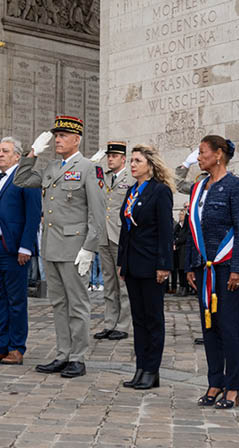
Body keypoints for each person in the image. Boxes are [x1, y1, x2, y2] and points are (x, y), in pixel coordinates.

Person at [14, 115, 106, 379]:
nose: (57, 140)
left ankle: (78, 358)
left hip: (75, 248)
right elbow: (21, 180)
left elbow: (97, 213)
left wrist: (89, 248)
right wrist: (31, 154)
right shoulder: (52, 167)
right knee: (58, 304)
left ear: (76, 139)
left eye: (63, 136)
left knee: (78, 305)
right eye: (56, 136)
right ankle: (62, 354)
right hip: (52, 247)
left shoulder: (90, 168)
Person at [183, 135, 239, 410]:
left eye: (202, 152)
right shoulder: (198, 187)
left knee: (228, 326)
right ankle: (215, 381)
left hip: (225, 267)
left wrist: (238, 269)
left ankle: (233, 387)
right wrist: (189, 264)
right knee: (208, 326)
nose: (198, 157)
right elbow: (192, 227)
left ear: (218, 154)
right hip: (203, 266)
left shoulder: (236, 185)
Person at [0, 137, 41, 366]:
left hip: (12, 249)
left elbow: (33, 215)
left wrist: (26, 246)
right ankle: (1, 346)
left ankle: (16, 348)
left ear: (17, 156)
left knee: (16, 300)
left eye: (5, 151)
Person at [117, 145, 174, 391]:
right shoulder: (132, 191)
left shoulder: (160, 191)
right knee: (138, 320)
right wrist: (122, 261)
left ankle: (152, 369)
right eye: (131, 161)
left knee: (153, 319)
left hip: (151, 264)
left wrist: (164, 265)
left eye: (137, 161)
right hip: (132, 264)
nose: (132, 165)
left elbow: (165, 231)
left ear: (150, 165)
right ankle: (140, 367)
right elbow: (125, 230)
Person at [95, 141, 133, 340]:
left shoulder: (131, 178)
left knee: (123, 283)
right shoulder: (103, 177)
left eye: (114, 156)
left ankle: (124, 324)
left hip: (121, 236)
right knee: (108, 282)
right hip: (104, 236)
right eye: (108, 156)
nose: (110, 159)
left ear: (123, 159)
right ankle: (110, 323)